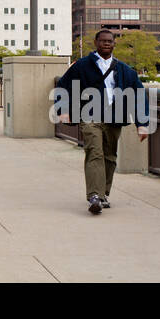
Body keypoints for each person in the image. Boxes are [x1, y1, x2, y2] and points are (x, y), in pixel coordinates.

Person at [54, 29, 149, 215]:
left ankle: (103, 194)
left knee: (109, 157)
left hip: (115, 117)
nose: (106, 44)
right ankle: (94, 196)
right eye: (103, 41)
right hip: (90, 115)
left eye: (110, 41)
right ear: (96, 43)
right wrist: (63, 110)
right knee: (94, 153)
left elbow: (138, 95)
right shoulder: (82, 65)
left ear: (114, 44)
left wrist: (142, 123)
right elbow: (63, 85)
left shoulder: (124, 70)